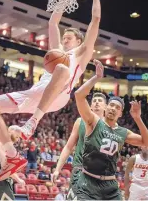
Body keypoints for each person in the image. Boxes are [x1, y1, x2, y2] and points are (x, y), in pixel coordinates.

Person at [0, 0, 101, 182]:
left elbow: (95, 20)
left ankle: (32, 122)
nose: (64, 41)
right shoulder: (58, 52)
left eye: (68, 38)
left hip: (58, 96)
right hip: (36, 93)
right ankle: (12, 156)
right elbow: (53, 22)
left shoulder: (81, 54)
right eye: (64, 38)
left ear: (79, 41)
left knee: (62, 68)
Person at [73, 60, 148, 200]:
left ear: (121, 114)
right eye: (111, 105)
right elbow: (79, 95)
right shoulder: (93, 121)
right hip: (88, 181)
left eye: (117, 107)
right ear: (106, 107)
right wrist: (96, 77)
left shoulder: (123, 132)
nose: (113, 108)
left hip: (110, 185)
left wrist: (138, 118)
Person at [52, 60, 106, 200]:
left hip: (98, 176)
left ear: (106, 107)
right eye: (94, 100)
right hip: (79, 172)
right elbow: (68, 147)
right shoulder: (79, 121)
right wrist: (57, 169)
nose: (96, 102)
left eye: (100, 101)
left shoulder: (110, 128)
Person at [0, 127, 26, 199]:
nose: (18, 135)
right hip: (1, 181)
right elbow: (6, 168)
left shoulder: (10, 147)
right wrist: (18, 179)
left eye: (18, 134)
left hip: (5, 181)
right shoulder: (3, 145)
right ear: (9, 133)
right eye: (16, 132)